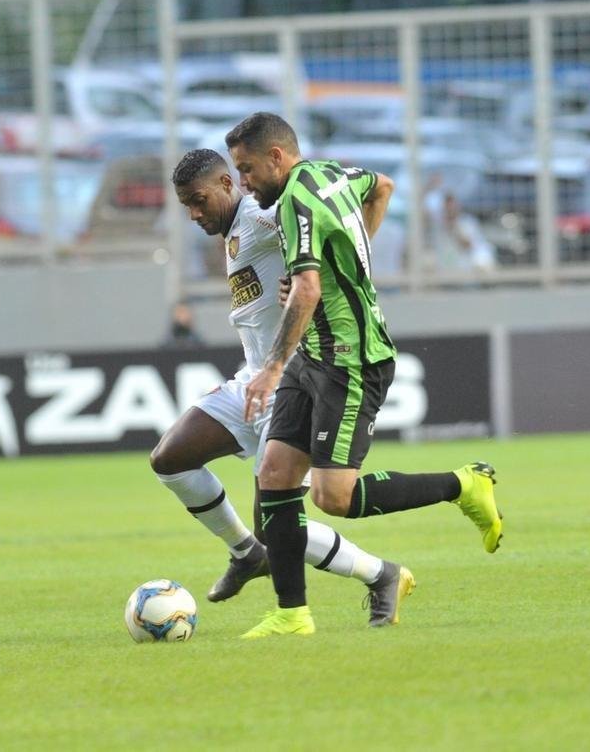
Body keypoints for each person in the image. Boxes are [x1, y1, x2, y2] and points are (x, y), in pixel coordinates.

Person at [225, 112, 503, 639]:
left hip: (349, 361)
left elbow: (306, 290)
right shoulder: (332, 174)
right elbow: (384, 186)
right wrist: (352, 263)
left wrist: (271, 368)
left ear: (277, 158)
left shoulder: (295, 205)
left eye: (248, 169)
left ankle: (463, 485)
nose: (244, 182)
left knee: (333, 497)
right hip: (314, 353)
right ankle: (292, 614)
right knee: (275, 476)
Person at [149, 148, 415, 627]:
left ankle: (382, 574)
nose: (193, 213)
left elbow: (358, 206)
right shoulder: (232, 229)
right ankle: (246, 554)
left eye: (199, 200)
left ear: (228, 185)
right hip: (253, 377)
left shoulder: (263, 215)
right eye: (186, 204)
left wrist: (338, 275)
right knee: (169, 458)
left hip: (295, 377)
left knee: (277, 523)